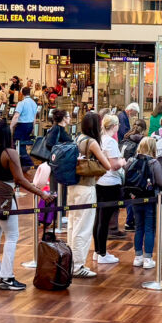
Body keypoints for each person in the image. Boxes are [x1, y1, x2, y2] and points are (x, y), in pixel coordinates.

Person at [0, 120, 54, 291]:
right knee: (12, 235)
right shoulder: (10, 153)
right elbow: (19, 179)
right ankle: (6, 277)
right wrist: (41, 193)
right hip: (4, 198)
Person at [67, 112, 112, 278]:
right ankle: (78, 266)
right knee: (83, 228)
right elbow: (107, 165)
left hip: (73, 187)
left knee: (73, 225)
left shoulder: (79, 139)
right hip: (86, 188)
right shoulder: (92, 142)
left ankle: (72, 261)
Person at [124, 137, 162, 269]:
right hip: (150, 198)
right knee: (149, 228)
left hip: (135, 197)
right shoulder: (154, 162)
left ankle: (138, 257)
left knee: (138, 227)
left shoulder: (131, 160)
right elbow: (160, 181)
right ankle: (148, 258)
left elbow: (126, 176)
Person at [93, 115, 126, 265]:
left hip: (99, 181)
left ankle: (97, 251)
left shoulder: (99, 139)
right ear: (114, 126)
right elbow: (113, 165)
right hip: (110, 182)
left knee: (99, 218)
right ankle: (102, 253)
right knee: (104, 220)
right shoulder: (111, 142)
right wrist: (122, 161)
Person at [11, 86, 38, 160]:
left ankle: (24, 161)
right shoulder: (34, 103)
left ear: (22, 93)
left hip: (22, 125)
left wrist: (10, 126)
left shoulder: (21, 103)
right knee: (23, 143)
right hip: (30, 125)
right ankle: (24, 160)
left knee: (17, 143)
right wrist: (33, 128)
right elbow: (34, 118)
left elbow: (16, 116)